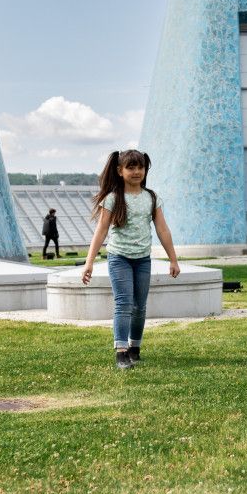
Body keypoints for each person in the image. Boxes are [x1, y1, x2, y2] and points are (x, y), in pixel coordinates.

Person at [80, 149, 181, 370]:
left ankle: (135, 348)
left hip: (143, 259)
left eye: (140, 167)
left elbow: (163, 230)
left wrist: (173, 259)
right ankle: (121, 351)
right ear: (120, 171)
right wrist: (89, 262)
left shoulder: (151, 198)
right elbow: (101, 231)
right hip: (119, 259)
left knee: (140, 307)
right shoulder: (113, 199)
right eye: (131, 167)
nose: (136, 172)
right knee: (123, 304)